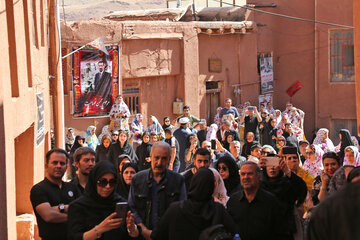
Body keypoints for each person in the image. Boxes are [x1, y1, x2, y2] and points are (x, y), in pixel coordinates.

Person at [151, 168, 236, 240]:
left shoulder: (175, 209)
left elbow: (156, 235)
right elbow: (234, 232)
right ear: (211, 187)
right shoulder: (218, 210)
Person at [67, 161, 140, 240]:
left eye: (112, 182)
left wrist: (132, 230)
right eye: (102, 182)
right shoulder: (78, 207)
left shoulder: (120, 204)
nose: (108, 186)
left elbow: (134, 235)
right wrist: (99, 229)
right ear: (94, 182)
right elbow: (74, 236)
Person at [128, 142, 187, 240]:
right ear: (150, 156)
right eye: (156, 157)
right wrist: (143, 230)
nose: (159, 163)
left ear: (169, 159)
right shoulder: (138, 179)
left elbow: (182, 210)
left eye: (164, 158)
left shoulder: (178, 180)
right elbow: (132, 207)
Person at [30, 149, 81, 240]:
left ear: (66, 167)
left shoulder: (72, 187)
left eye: (62, 163)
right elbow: (49, 216)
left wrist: (58, 208)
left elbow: (83, 209)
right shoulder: (38, 189)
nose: (58, 166)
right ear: (46, 166)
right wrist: (76, 217)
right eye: (54, 163)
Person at [227, 162, 285, 240]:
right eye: (243, 174)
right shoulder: (233, 200)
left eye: (250, 174)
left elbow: (281, 232)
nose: (246, 177)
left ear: (259, 176)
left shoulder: (271, 202)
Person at [261, 156, 307, 238]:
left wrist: (288, 172)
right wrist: (255, 170)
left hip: (285, 231)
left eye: (275, 164)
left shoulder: (287, 184)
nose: (272, 168)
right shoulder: (259, 186)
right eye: (269, 164)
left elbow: (302, 189)